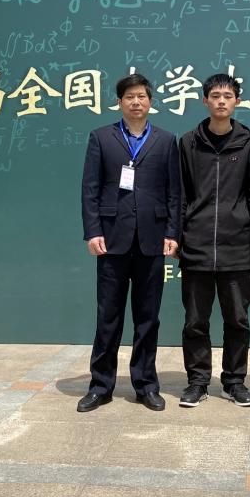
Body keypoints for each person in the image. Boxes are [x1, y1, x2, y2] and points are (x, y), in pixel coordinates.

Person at [78, 74, 181, 413]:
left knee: (148, 318)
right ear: (120, 102)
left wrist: (172, 233)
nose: (136, 102)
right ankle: (101, 385)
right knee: (108, 316)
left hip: (152, 240)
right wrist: (93, 231)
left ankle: (146, 385)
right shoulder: (101, 137)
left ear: (150, 101)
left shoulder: (166, 140)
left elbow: (174, 193)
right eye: (129, 97)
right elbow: (90, 189)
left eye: (141, 96)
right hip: (112, 240)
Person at [177, 73, 250, 408]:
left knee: (237, 320)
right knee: (195, 322)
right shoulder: (188, 142)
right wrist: (179, 236)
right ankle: (198, 381)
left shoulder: (249, 142)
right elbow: (180, 194)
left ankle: (234, 382)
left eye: (228, 96)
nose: (221, 101)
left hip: (236, 246)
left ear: (237, 101)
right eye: (215, 96)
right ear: (205, 101)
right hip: (196, 246)